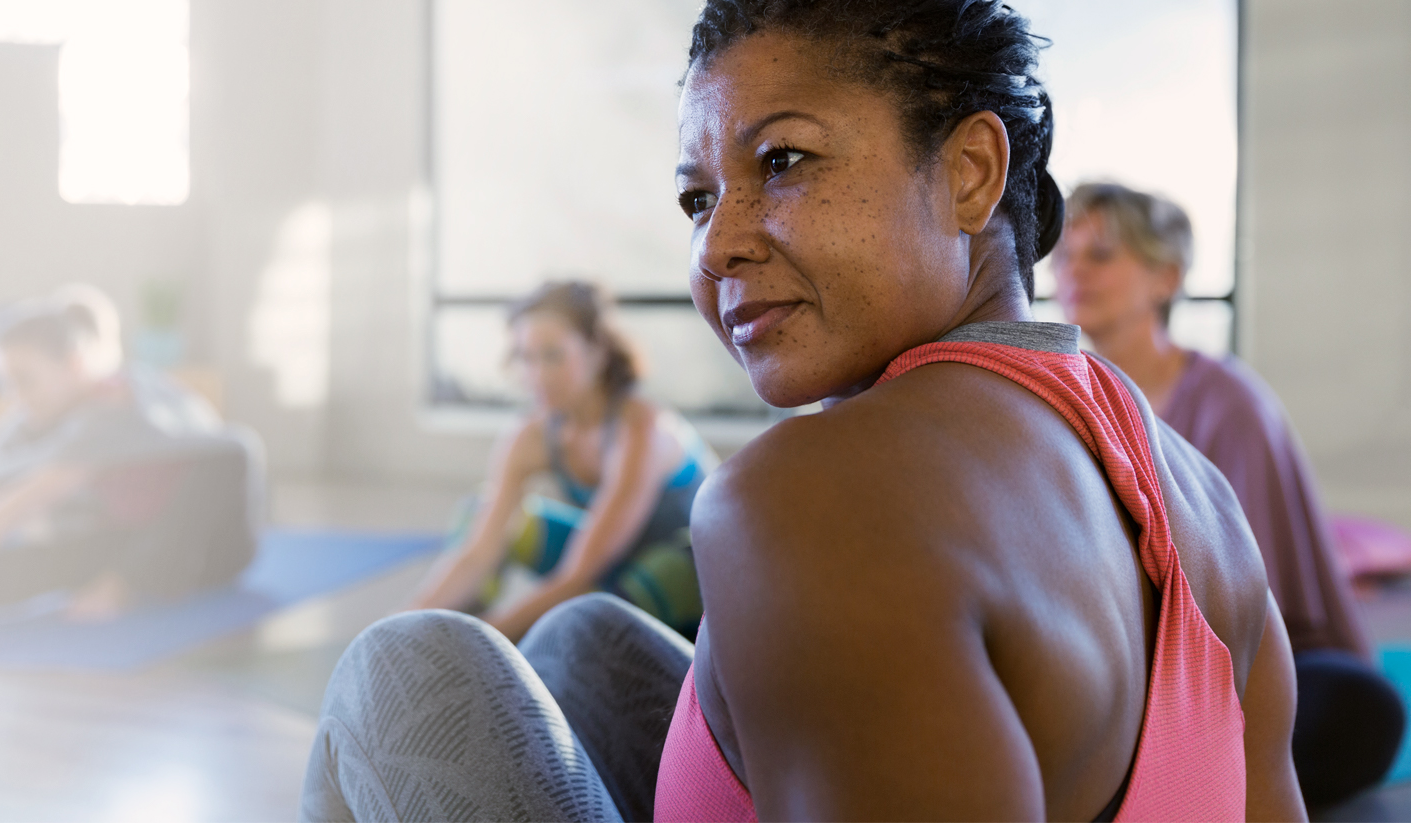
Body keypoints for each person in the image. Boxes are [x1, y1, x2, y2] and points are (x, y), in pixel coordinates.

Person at [301, 2, 1305, 820]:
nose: (718, 245)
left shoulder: (818, 496)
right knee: (583, 642)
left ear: (970, 174)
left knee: (406, 665)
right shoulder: (1198, 500)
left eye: (782, 161)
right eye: (698, 198)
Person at [1053, 181, 1405, 808]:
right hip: (1129, 652)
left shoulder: (1230, 404)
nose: (1073, 270)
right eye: (1065, 254)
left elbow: (1240, 600)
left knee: (1352, 713)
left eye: (1100, 255)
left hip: (1252, 659)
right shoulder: (1074, 398)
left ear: (1166, 278)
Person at [407, 281, 715, 641]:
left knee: (629, 590)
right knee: (481, 512)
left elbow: (578, 578)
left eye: (553, 356)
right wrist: (406, 625)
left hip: (692, 577)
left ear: (597, 351)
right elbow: (478, 553)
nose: (537, 374)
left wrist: (483, 641)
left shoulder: (641, 427)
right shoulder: (532, 435)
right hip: (613, 567)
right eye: (525, 356)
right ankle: (449, 629)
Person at [0, 286, 259, 621]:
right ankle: (116, 577)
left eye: (24, 380)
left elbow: (27, 498)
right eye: (6, 382)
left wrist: (121, 582)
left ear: (74, 365)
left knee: (224, 460)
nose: (15, 396)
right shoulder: (30, 414)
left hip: (202, 547)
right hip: (120, 537)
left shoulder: (114, 403)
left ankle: (122, 584)